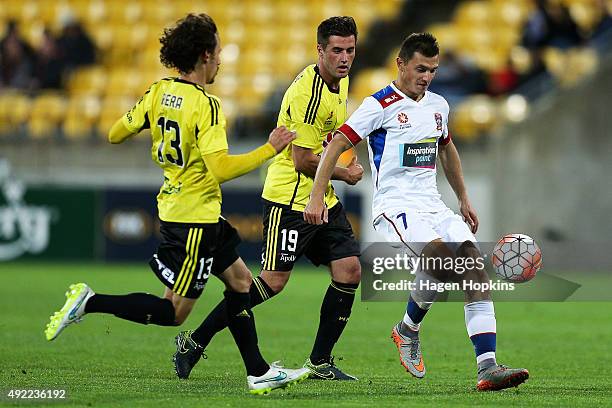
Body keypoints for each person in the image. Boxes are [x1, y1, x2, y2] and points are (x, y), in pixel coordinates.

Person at [44, 13, 309, 395]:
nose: (221, 59)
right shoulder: (207, 105)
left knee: (240, 282)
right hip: (193, 222)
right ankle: (90, 302)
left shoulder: (158, 91)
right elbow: (219, 169)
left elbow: (116, 132)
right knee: (173, 313)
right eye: (218, 51)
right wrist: (271, 148)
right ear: (205, 55)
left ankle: (258, 371)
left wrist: (156, 121)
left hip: (193, 212)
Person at [304, 33, 530, 391]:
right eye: (420, 69)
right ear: (401, 64)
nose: (426, 77)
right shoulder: (378, 105)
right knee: (450, 266)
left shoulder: (439, 105)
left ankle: (482, 364)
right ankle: (411, 330)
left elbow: (447, 149)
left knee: (471, 268)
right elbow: (335, 147)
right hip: (396, 207)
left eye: (433, 70)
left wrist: (464, 197)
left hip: (434, 206)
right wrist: (317, 196)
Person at [173, 16, 363, 381]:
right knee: (272, 282)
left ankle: (320, 363)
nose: (344, 57)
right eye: (336, 50)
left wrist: (339, 159)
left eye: (350, 50)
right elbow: (303, 160)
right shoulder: (308, 94)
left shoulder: (340, 80)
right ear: (319, 50)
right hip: (290, 198)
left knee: (349, 269)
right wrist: (345, 173)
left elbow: (327, 141)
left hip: (320, 196)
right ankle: (194, 341)